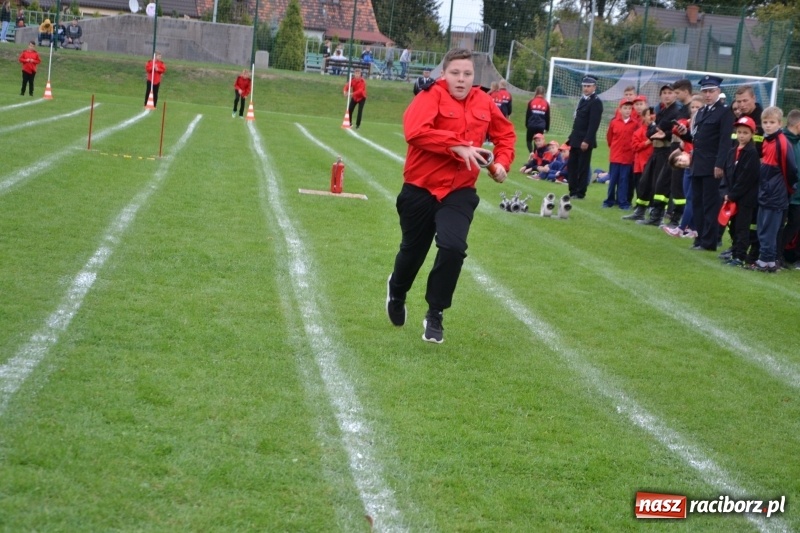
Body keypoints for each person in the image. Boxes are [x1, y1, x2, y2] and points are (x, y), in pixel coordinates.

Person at [385, 48, 515, 344]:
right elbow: (414, 131)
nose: (461, 79)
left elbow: (505, 136)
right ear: (444, 74)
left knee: (453, 247)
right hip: (419, 188)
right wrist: (457, 145)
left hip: (459, 191)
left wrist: (502, 164)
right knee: (413, 252)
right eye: (455, 73)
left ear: (474, 77)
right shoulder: (430, 96)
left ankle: (435, 313)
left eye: (467, 74)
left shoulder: (485, 101)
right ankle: (397, 289)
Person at [677, 75, 733, 251]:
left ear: (718, 91)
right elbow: (695, 138)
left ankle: (709, 241)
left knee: (710, 204)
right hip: (697, 164)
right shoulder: (701, 112)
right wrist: (683, 133)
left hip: (711, 165)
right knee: (698, 203)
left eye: (711, 91)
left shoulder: (724, 112)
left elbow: (725, 142)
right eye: (705, 91)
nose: (708, 94)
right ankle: (700, 238)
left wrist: (720, 164)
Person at [750, 106, 797, 272]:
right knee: (763, 227)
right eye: (765, 122)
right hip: (767, 190)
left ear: (779, 123)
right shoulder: (767, 140)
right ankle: (767, 261)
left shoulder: (782, 142)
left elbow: (790, 169)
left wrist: (787, 188)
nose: (768, 125)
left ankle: (766, 261)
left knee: (769, 228)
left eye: (772, 122)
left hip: (775, 193)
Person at [721, 116, 760, 267]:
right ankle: (734, 251)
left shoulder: (752, 153)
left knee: (742, 227)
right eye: (739, 132)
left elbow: (746, 178)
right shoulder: (732, 151)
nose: (742, 135)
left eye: (745, 132)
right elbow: (727, 173)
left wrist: (732, 195)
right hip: (732, 196)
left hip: (745, 198)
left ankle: (740, 256)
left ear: (752, 134)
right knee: (733, 226)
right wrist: (726, 192)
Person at [566, 75, 603, 199]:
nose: (586, 88)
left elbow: (593, 124)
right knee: (572, 166)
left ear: (594, 87)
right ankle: (572, 190)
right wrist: (571, 137)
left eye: (588, 86)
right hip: (576, 139)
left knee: (583, 167)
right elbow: (578, 121)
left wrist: (587, 140)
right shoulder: (583, 100)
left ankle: (580, 192)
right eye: (584, 86)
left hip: (585, 140)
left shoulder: (596, 102)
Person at [603, 99, 638, 209]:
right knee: (613, 180)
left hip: (627, 157)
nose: (627, 110)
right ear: (620, 109)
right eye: (625, 108)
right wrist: (614, 149)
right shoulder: (614, 122)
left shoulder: (635, 124)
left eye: (629, 108)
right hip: (615, 156)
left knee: (624, 180)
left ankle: (622, 202)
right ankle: (609, 200)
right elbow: (609, 138)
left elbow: (636, 138)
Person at [525, 86, 550, 154]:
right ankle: (536, 154)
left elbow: (528, 114)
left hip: (531, 125)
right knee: (538, 141)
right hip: (541, 126)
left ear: (536, 92)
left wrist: (527, 124)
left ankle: (531, 153)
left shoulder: (531, 102)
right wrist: (547, 127)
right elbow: (547, 116)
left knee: (529, 141)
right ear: (544, 93)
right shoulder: (546, 103)